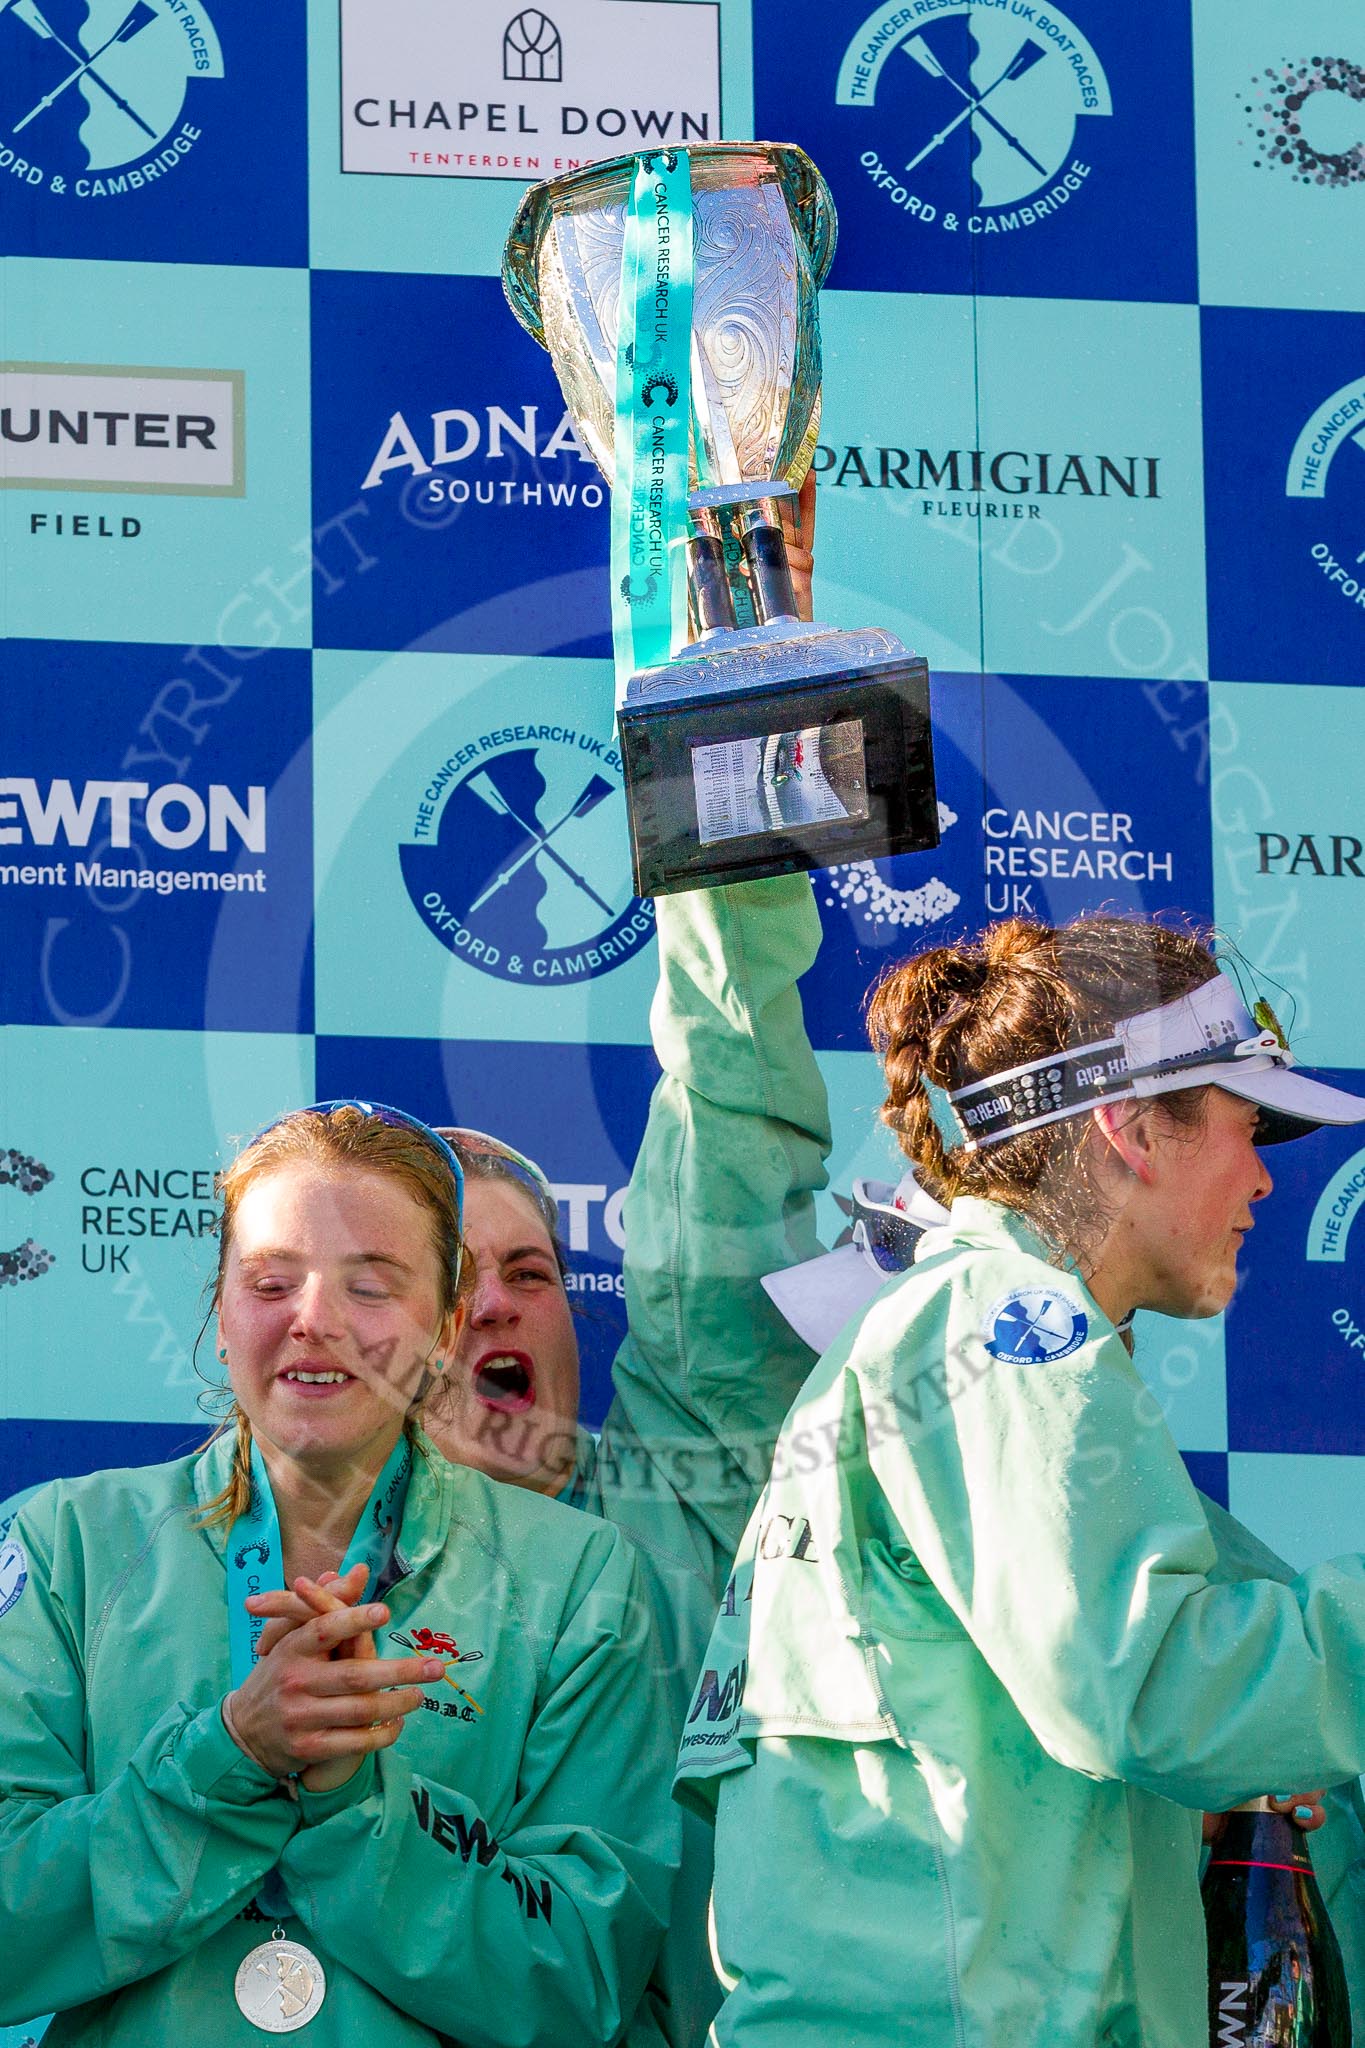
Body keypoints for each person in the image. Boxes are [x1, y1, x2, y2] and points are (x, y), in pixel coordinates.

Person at [675, 914, 1365, 2048]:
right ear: (1133, 1127)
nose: (1263, 1177)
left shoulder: (942, 1328)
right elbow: (1153, 1692)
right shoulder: (1001, 1323)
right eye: (1251, 1127)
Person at [0, 1102, 678, 2045]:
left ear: (444, 1329)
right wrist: (229, 1757)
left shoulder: (577, 1578)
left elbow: (580, 1983)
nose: (314, 1320)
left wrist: (352, 1806)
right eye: (272, 1281)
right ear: (221, 1312)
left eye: (370, 1286)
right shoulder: (63, 1545)